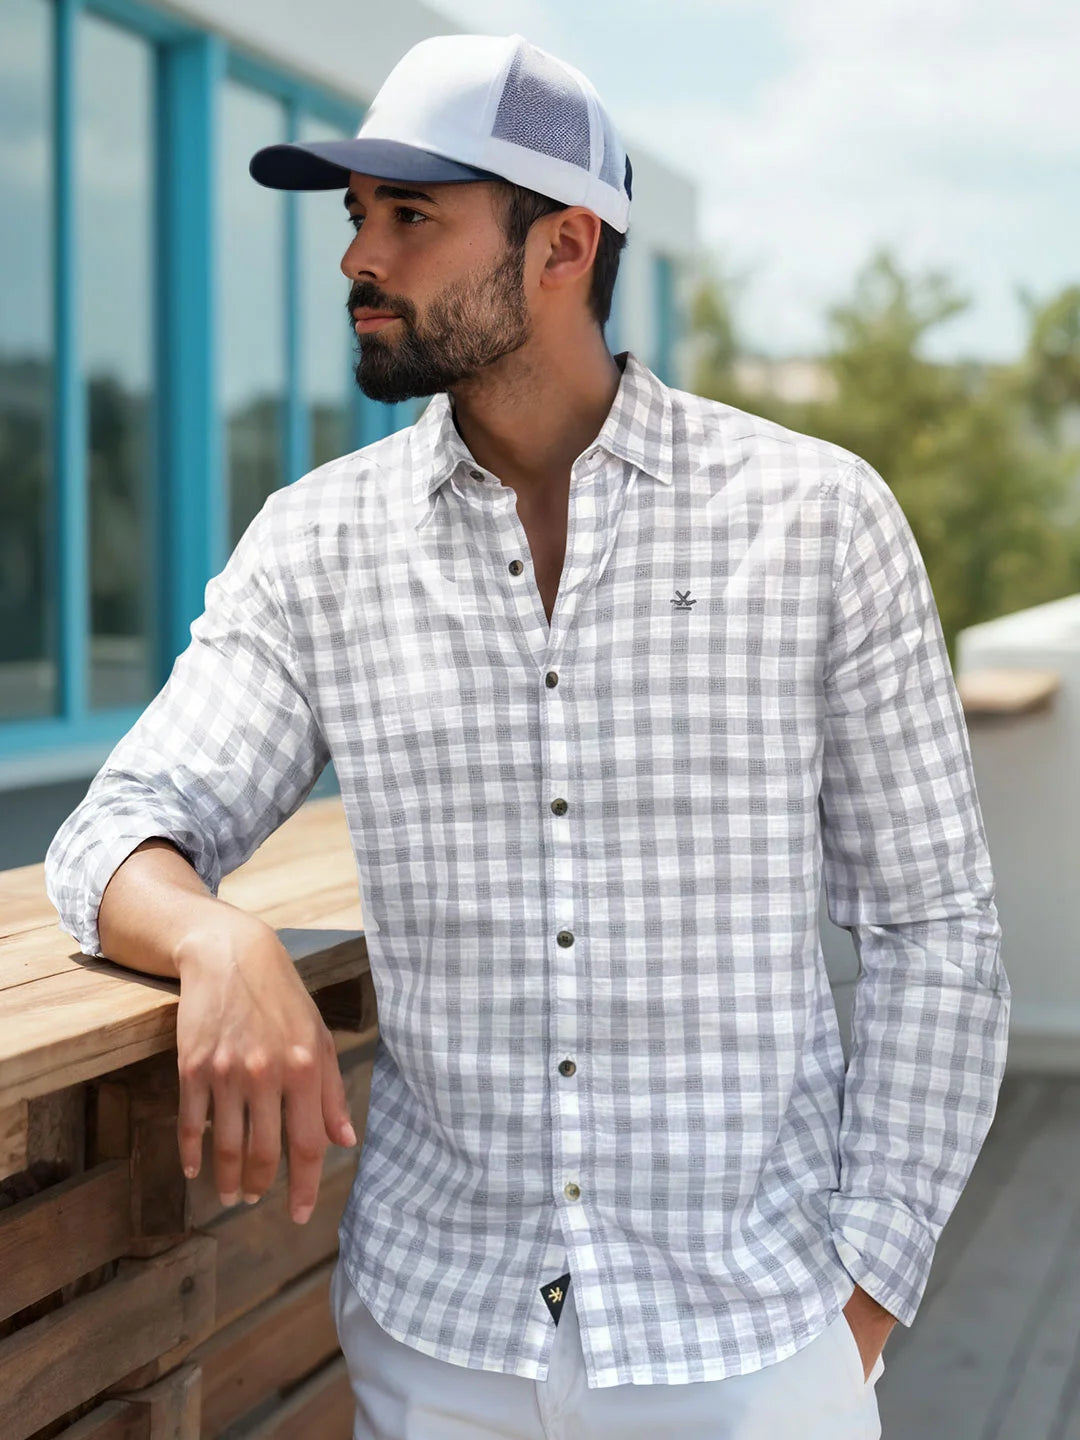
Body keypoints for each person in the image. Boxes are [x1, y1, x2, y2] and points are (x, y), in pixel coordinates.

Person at [44, 30, 1010, 1440]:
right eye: (357, 215)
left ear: (563, 246)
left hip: (754, 1339)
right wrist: (216, 941)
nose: (358, 257)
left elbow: (935, 929)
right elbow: (115, 831)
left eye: (411, 216)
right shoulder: (319, 547)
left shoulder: (817, 522)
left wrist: (863, 1295)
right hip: (439, 1341)